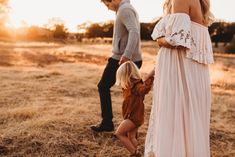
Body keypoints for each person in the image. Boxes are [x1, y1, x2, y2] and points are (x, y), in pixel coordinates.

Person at [144, 0, 214, 157]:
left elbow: (178, 42)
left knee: (176, 122)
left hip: (182, 77)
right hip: (185, 73)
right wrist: (155, 71)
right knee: (186, 125)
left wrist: (159, 40)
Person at [91, 0, 142, 132]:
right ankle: (127, 130)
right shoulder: (125, 8)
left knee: (104, 86)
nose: (107, 8)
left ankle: (108, 124)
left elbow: (134, 32)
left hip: (122, 59)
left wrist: (126, 55)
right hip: (126, 58)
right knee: (130, 95)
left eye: (107, 5)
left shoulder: (125, 9)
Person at [115, 61, 154, 157]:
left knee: (119, 133)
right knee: (131, 136)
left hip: (133, 117)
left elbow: (144, 89)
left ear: (124, 75)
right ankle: (134, 151)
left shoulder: (136, 85)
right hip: (133, 116)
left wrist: (150, 76)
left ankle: (135, 153)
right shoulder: (128, 86)